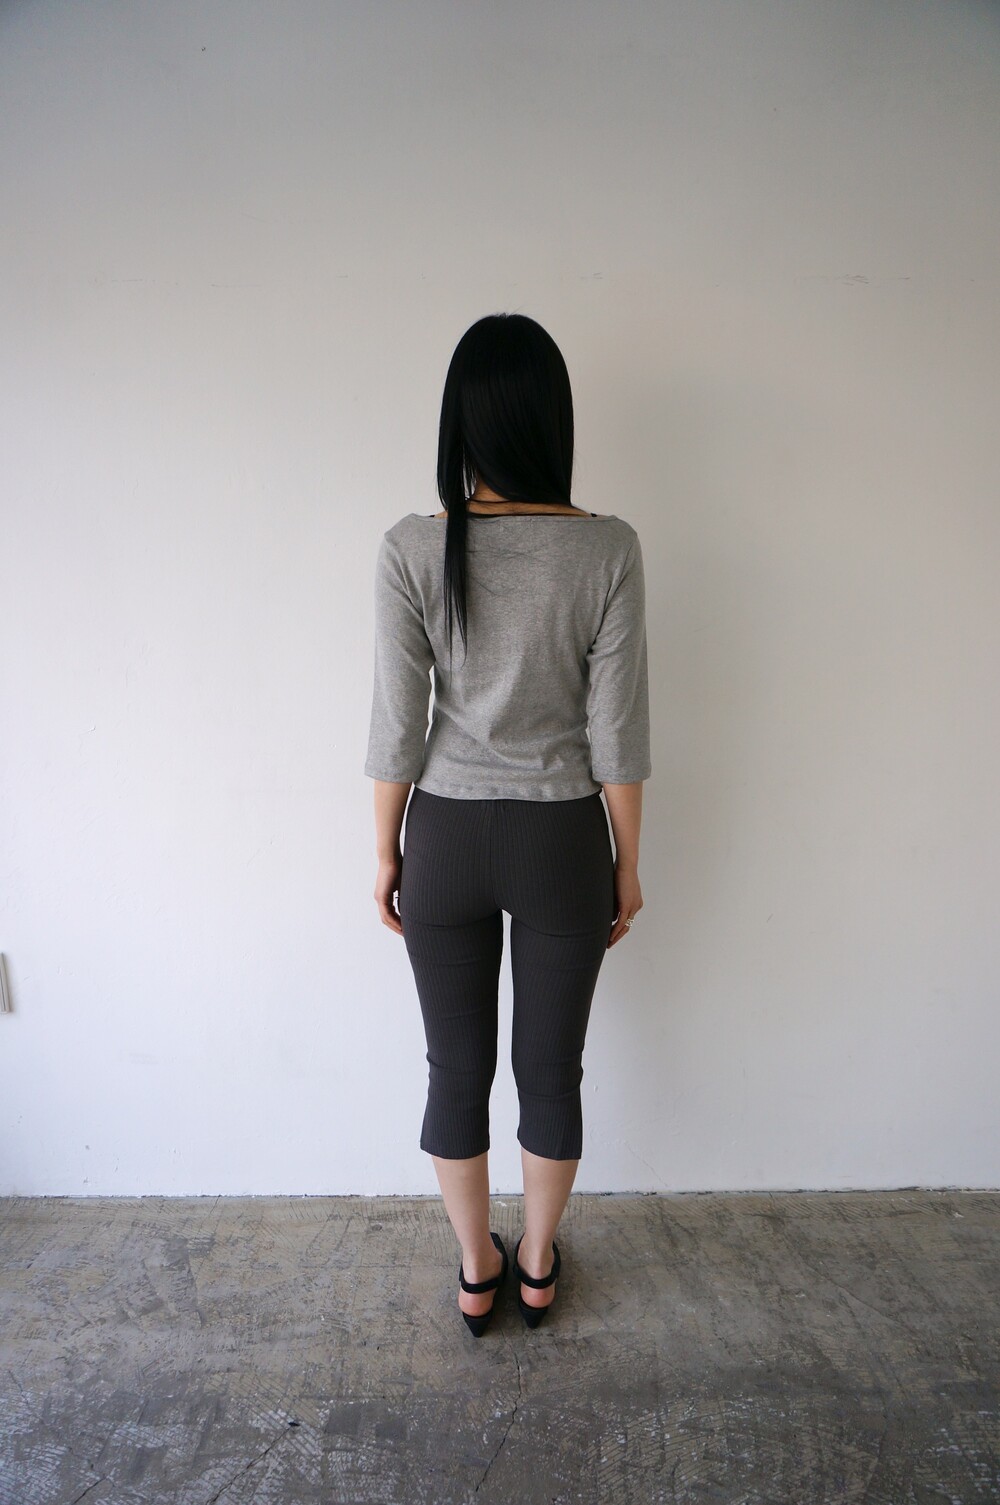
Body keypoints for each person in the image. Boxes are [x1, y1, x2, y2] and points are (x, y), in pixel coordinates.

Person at [364, 312, 651, 1336]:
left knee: (455, 1070)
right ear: (551, 418)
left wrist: (387, 851)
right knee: (550, 1070)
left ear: (461, 423)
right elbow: (616, 733)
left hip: (443, 837)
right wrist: (627, 863)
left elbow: (397, 728)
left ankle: (475, 1266)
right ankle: (536, 1264)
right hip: (561, 839)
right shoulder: (607, 548)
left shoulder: (411, 546)